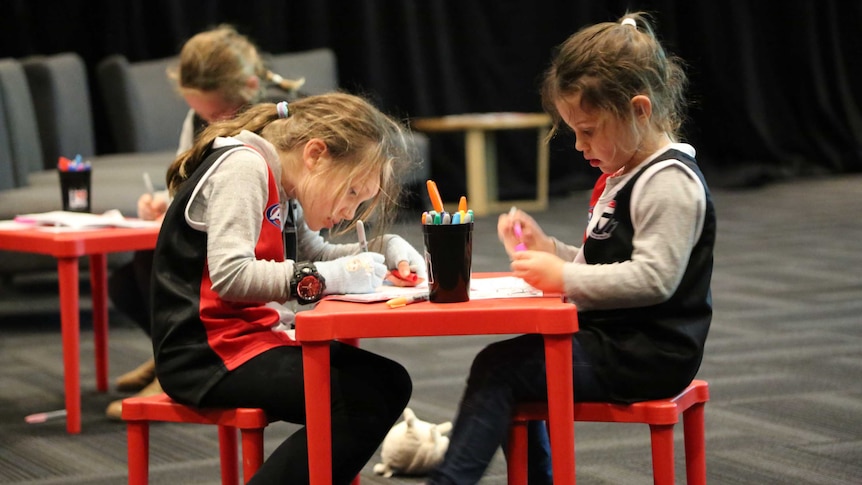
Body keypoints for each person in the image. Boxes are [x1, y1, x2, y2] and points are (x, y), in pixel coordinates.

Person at [426, 11, 716, 484]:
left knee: (500, 368)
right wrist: (551, 250)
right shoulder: (625, 177)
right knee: (510, 364)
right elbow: (602, 265)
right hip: (615, 342)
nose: (580, 146)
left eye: (589, 130)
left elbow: (654, 279)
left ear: (640, 110)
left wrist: (563, 278)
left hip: (647, 356)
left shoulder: (668, 182)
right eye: (574, 132)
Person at [152, 93, 424, 483]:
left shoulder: (285, 182)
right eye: (351, 193)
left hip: (251, 340)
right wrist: (333, 275)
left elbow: (319, 253)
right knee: (361, 399)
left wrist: (384, 249)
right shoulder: (244, 168)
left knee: (389, 384)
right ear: (315, 154)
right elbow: (231, 274)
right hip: (204, 354)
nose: (349, 213)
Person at [105, 24, 305, 419]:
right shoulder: (201, 117)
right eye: (199, 111)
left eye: (214, 113)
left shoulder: (274, 123)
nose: (207, 120)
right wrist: (164, 205)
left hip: (263, 246)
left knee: (159, 268)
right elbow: (187, 182)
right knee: (125, 280)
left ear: (247, 88)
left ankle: (176, 359)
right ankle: (166, 350)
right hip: (216, 242)